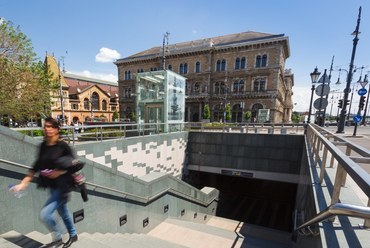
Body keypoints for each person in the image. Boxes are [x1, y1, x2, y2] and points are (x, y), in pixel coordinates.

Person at [12, 117, 78, 248]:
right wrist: (24, 182)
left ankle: (58, 237)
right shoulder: (43, 145)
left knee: (44, 215)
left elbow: (74, 164)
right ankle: (73, 234)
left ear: (57, 129)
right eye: (46, 126)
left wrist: (59, 172)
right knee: (63, 212)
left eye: (51, 127)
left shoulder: (63, 146)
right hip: (51, 186)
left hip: (62, 186)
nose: (47, 129)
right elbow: (36, 165)